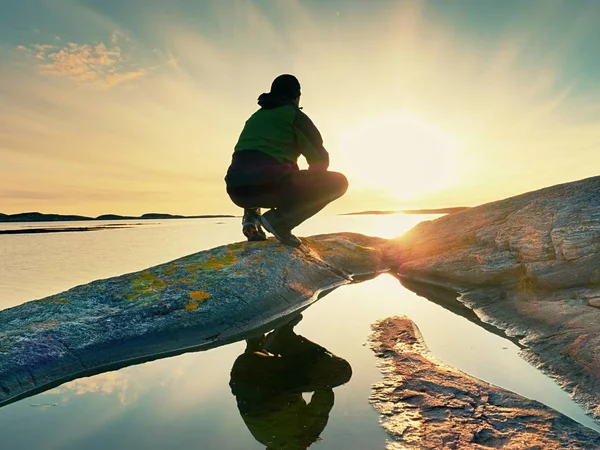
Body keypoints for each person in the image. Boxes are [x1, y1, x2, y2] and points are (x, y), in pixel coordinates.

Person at [225, 74, 348, 247]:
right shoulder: (295, 116)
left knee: (257, 168)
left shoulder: (255, 117)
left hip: (236, 191)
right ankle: (280, 221)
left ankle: (251, 217)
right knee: (338, 182)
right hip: (270, 186)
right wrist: (304, 191)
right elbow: (320, 161)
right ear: (297, 97)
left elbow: (250, 158)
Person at [229, 314, 352, 449]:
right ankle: (255, 342)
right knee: (280, 380)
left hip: (267, 383)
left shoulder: (300, 440)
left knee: (341, 372)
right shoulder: (265, 439)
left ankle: (283, 338)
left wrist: (322, 380)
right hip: (244, 368)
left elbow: (321, 405)